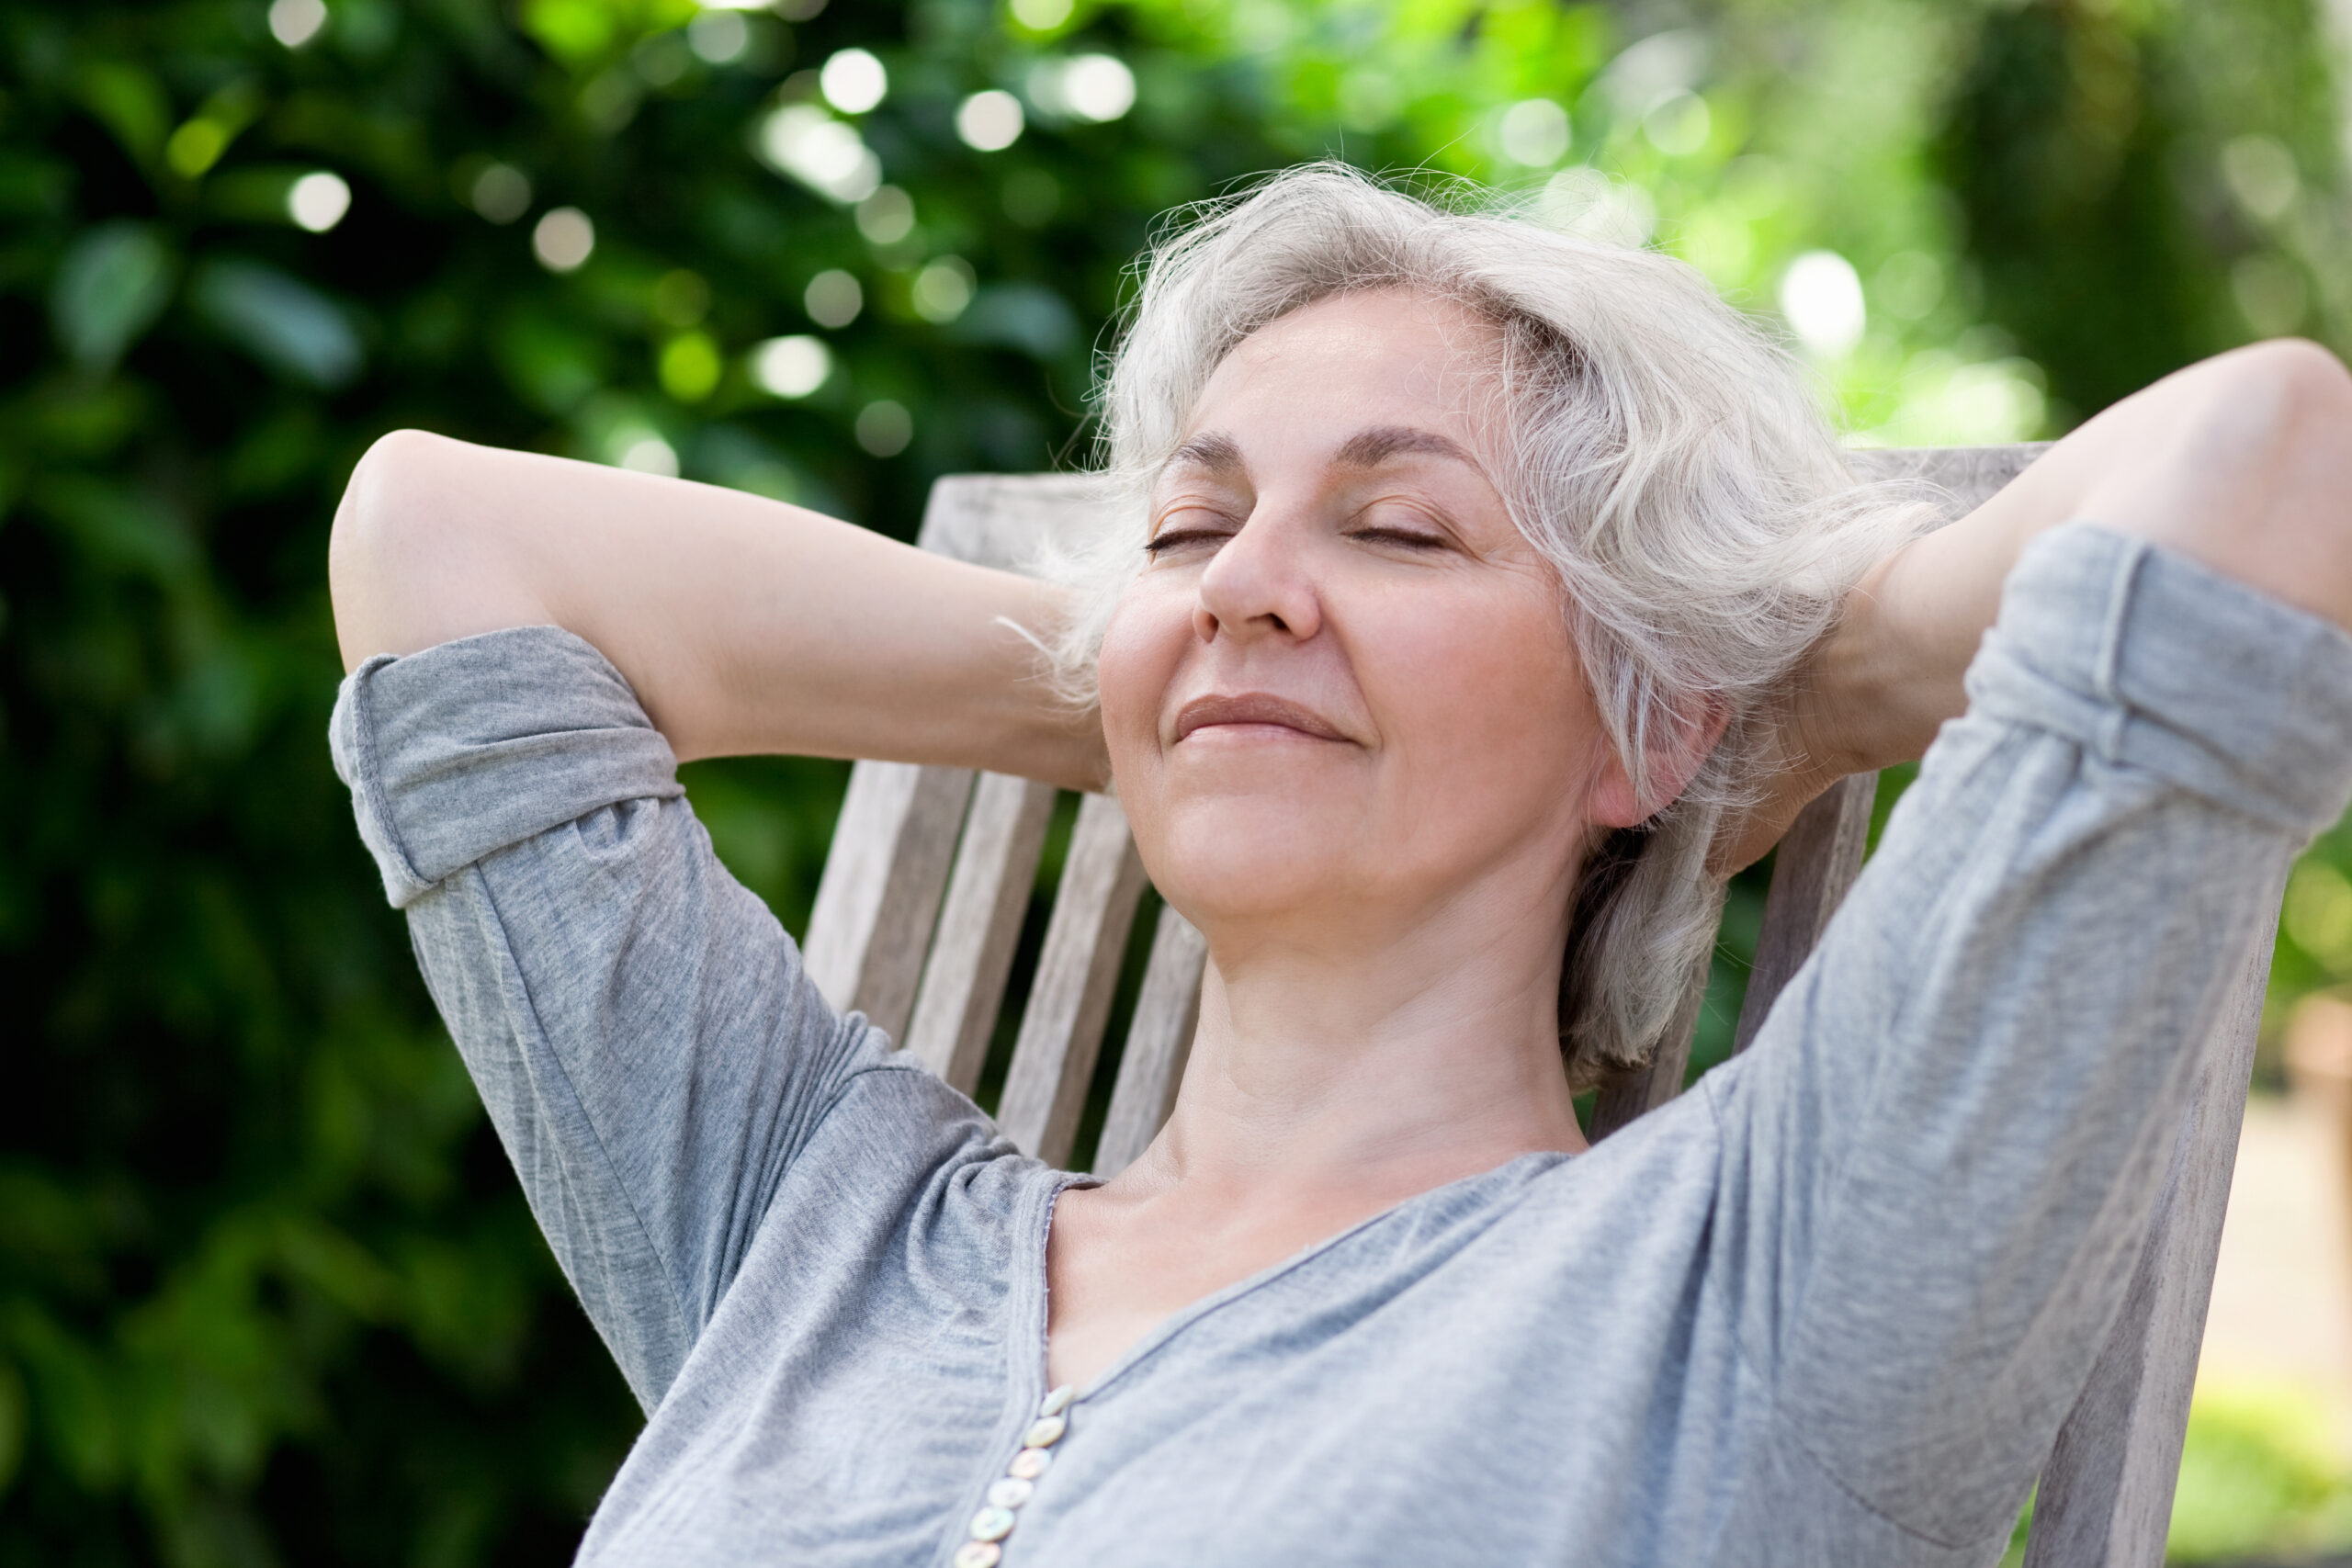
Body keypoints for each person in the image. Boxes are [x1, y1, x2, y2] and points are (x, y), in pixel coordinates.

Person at [326, 166, 2352, 1566]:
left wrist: (1746, 689)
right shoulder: (808, 1217)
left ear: (1641, 723)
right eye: (1192, 527)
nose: (1251, 590)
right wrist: (1137, 678)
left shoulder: (1754, 1292)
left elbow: (2259, 466)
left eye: (1398, 532)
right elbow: (437, 543)